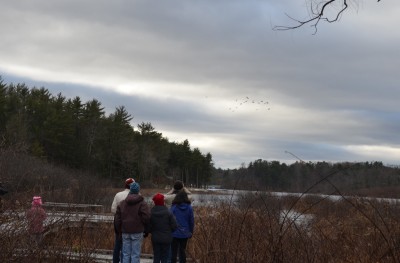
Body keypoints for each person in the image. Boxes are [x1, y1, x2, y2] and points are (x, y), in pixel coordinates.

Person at [115, 182, 150, 263]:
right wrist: (145, 228)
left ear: (130, 190)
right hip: (137, 231)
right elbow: (147, 217)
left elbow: (117, 219)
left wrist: (119, 230)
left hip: (125, 231)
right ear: (138, 190)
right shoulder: (142, 203)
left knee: (125, 254)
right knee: (135, 254)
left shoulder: (122, 203)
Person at [111, 178, 135, 263]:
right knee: (129, 245)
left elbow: (113, 209)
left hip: (118, 222)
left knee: (117, 242)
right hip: (131, 222)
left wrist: (120, 214)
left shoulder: (118, 195)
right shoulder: (137, 196)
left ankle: (115, 261)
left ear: (125, 184)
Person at [149, 193, 177, 263]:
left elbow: (148, 226)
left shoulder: (151, 213)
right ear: (163, 202)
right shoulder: (168, 212)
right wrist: (170, 231)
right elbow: (175, 225)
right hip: (167, 238)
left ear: (155, 202)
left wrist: (151, 231)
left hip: (155, 238)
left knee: (156, 256)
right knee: (165, 257)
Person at [170, 191, 194, 263]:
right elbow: (191, 221)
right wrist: (191, 231)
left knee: (173, 252)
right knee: (182, 251)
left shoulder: (173, 207)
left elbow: (170, 219)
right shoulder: (189, 208)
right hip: (185, 232)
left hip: (174, 232)